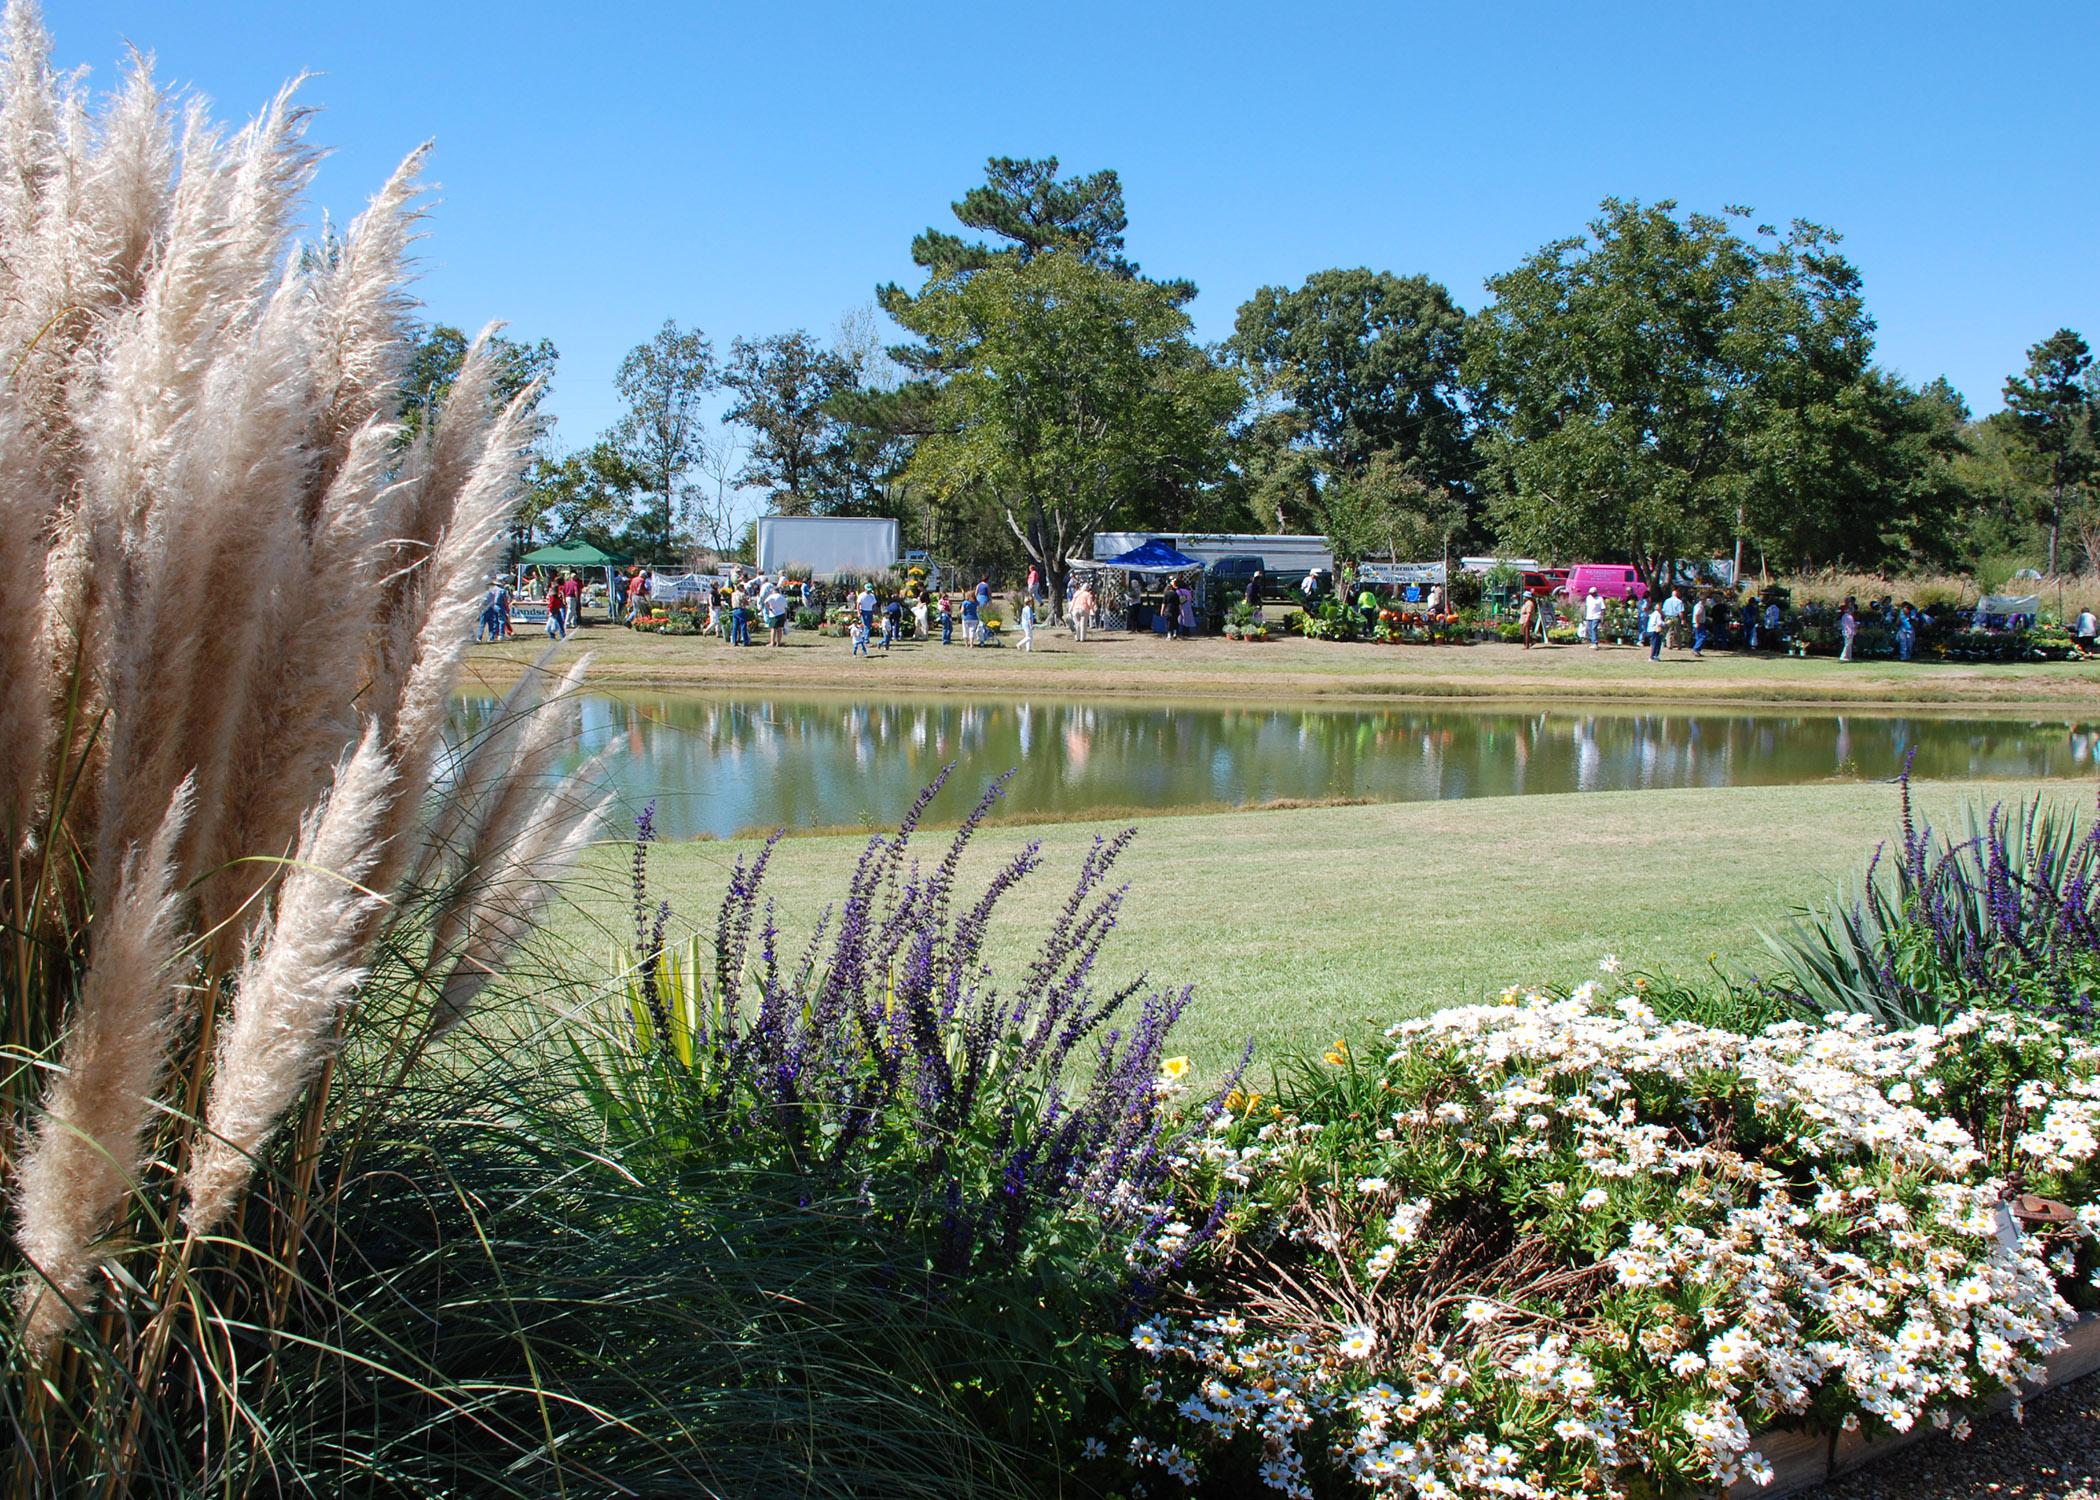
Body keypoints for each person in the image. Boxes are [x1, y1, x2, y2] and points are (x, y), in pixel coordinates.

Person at [763, 582, 788, 646]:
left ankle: (772, 642)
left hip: (774, 614)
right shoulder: (782, 597)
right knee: (779, 629)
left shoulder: (771, 596)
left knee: (773, 629)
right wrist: (785, 616)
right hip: (781, 614)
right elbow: (785, 608)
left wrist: (769, 608)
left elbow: (765, 602)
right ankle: (778, 643)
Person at [1838, 597, 1858, 662]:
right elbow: (1846, 625)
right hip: (1848, 631)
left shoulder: (1848, 616)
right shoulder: (1847, 616)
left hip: (1850, 631)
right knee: (1847, 644)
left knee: (1849, 644)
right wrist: (1849, 631)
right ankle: (1843, 656)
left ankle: (1849, 656)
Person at [1690, 594, 1710, 658]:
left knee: (1698, 637)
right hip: (1699, 623)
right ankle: (1695, 649)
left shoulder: (1700, 606)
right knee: (1703, 636)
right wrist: (1697, 623)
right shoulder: (1700, 606)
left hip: (1698, 623)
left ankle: (1697, 651)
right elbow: (1697, 615)